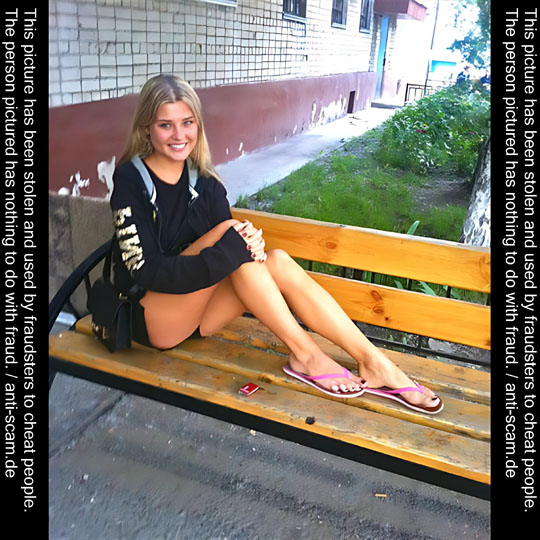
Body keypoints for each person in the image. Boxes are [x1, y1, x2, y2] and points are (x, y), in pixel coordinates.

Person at [110, 74, 443, 414]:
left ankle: (374, 361)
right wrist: (234, 246)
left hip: (200, 316)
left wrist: (243, 248)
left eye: (187, 122)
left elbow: (230, 257)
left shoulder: (205, 182)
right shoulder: (131, 179)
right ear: (146, 128)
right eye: (165, 125)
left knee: (276, 259)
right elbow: (148, 271)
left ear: (198, 125)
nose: (179, 135)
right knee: (233, 235)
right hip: (154, 319)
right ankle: (307, 355)